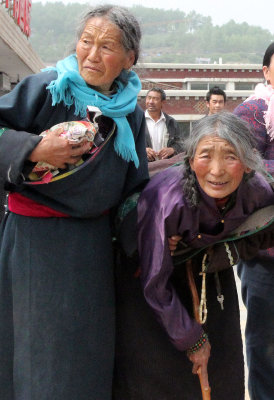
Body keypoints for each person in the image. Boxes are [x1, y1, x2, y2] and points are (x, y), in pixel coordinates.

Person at [0, 5, 148, 400]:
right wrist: (33, 147)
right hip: (35, 244)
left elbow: (134, 190)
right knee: (37, 356)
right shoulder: (47, 87)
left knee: (85, 357)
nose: (92, 55)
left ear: (129, 59)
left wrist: (152, 237)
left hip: (91, 252)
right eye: (86, 42)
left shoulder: (131, 114)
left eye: (107, 46)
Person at [113, 112, 274, 400]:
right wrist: (192, 338)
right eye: (205, 156)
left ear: (248, 165)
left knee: (222, 367)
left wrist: (220, 249)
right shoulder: (167, 200)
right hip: (149, 274)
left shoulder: (259, 190)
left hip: (208, 273)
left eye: (230, 156)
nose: (217, 170)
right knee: (160, 373)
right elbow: (154, 283)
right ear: (190, 161)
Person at [233, 42, 274, 399]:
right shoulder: (254, 111)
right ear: (266, 71)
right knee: (265, 348)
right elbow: (245, 170)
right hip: (265, 253)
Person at [144, 87, 184, 161]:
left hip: (165, 167)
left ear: (163, 102)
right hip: (143, 167)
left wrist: (172, 149)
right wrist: (142, 150)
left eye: (155, 99)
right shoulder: (138, 121)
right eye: (149, 98)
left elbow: (181, 144)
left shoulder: (171, 123)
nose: (151, 102)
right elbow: (128, 144)